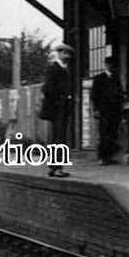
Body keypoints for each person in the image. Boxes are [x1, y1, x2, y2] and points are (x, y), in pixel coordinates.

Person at [39, 42, 74, 178]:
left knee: (56, 138)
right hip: (58, 107)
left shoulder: (61, 68)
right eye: (65, 53)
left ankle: (53, 167)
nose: (67, 56)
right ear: (59, 53)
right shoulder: (55, 68)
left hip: (59, 107)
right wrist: (61, 98)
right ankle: (57, 167)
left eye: (69, 54)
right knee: (59, 138)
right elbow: (48, 88)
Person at [90, 56, 123, 165]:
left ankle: (108, 157)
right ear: (105, 65)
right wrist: (96, 109)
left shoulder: (116, 79)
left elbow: (120, 94)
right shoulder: (99, 78)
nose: (110, 66)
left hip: (114, 110)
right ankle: (101, 157)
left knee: (112, 133)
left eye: (112, 65)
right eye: (108, 64)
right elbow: (94, 96)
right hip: (103, 110)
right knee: (103, 133)